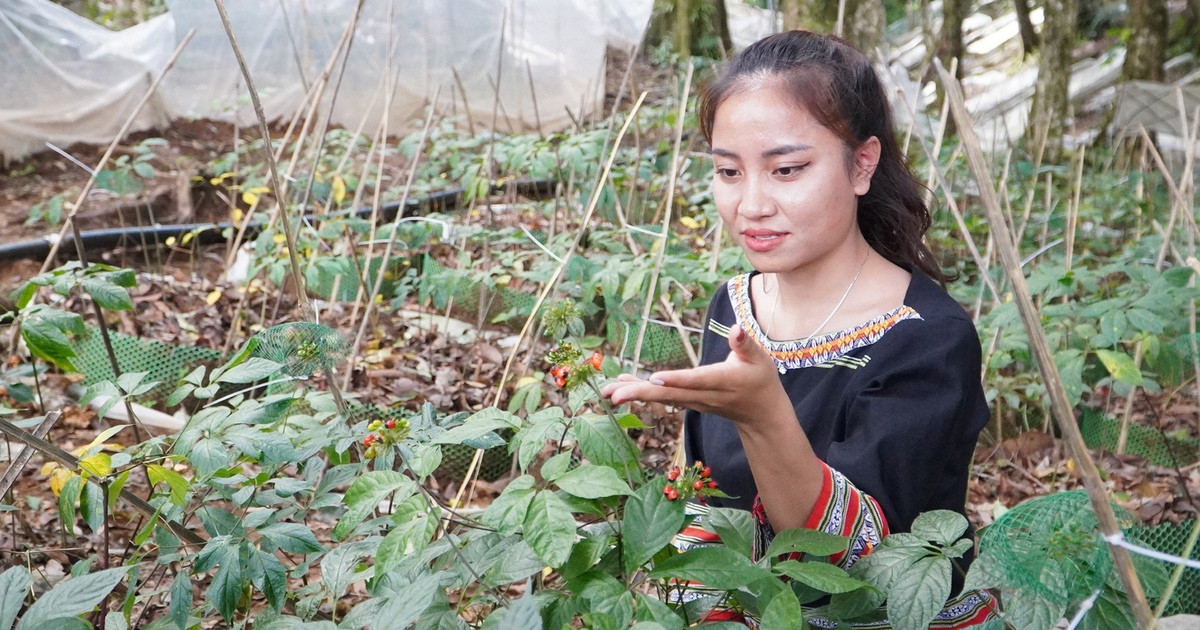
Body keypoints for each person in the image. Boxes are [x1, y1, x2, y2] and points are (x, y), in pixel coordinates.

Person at [601, 31, 999, 627]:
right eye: (729, 172)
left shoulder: (927, 337)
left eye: (787, 169)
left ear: (862, 164)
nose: (752, 204)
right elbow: (711, 498)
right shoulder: (734, 306)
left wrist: (765, 417)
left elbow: (857, 571)